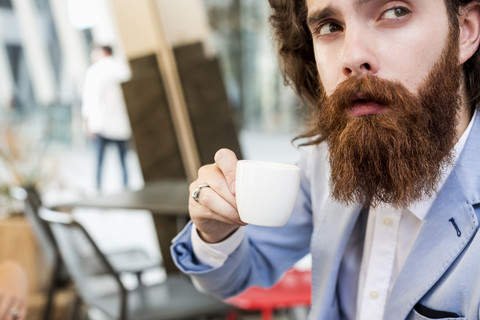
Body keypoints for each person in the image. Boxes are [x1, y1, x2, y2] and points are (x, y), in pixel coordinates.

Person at [171, 0, 480, 319]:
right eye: (330, 27)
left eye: (395, 11)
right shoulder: (326, 161)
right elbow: (232, 275)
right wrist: (215, 232)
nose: (352, 57)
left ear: (466, 30)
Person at [81, 45, 132, 192]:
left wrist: (87, 123)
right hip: (122, 124)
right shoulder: (122, 68)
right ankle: (125, 186)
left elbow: (90, 100)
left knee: (99, 160)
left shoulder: (95, 71)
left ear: (102, 52)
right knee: (123, 160)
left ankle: (98, 188)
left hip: (101, 123)